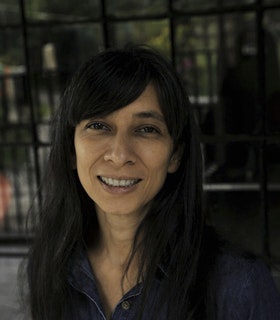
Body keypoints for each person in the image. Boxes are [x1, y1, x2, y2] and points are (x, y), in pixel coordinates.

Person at [24, 46, 280, 319]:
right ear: (72, 150)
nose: (119, 155)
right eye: (99, 126)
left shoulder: (239, 285)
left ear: (176, 154)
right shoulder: (51, 267)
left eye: (146, 129)